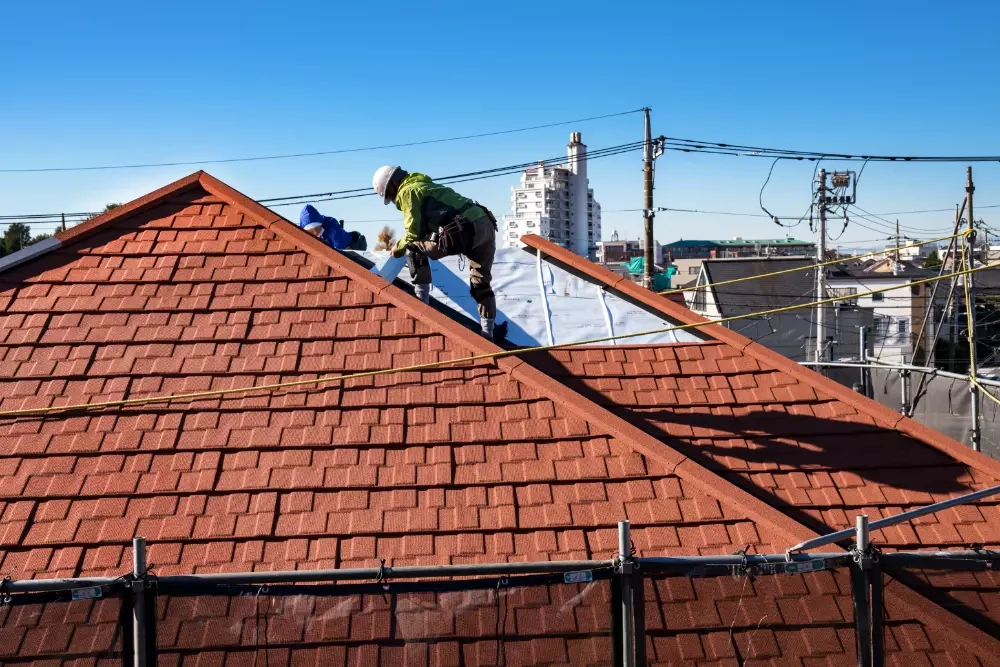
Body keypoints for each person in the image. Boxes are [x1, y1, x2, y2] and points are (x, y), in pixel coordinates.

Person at [372, 165, 500, 339]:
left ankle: (421, 304)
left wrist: (398, 248)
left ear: (394, 184)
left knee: (412, 245)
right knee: (481, 284)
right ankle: (488, 333)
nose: (394, 200)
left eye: (390, 195)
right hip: (485, 223)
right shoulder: (425, 185)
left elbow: (412, 233)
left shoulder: (408, 191)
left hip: (466, 230)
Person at [299, 204, 367, 251]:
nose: (313, 234)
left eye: (314, 229)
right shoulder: (310, 233)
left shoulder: (333, 230)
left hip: (353, 246)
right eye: (309, 232)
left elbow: (339, 255)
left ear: (320, 224)